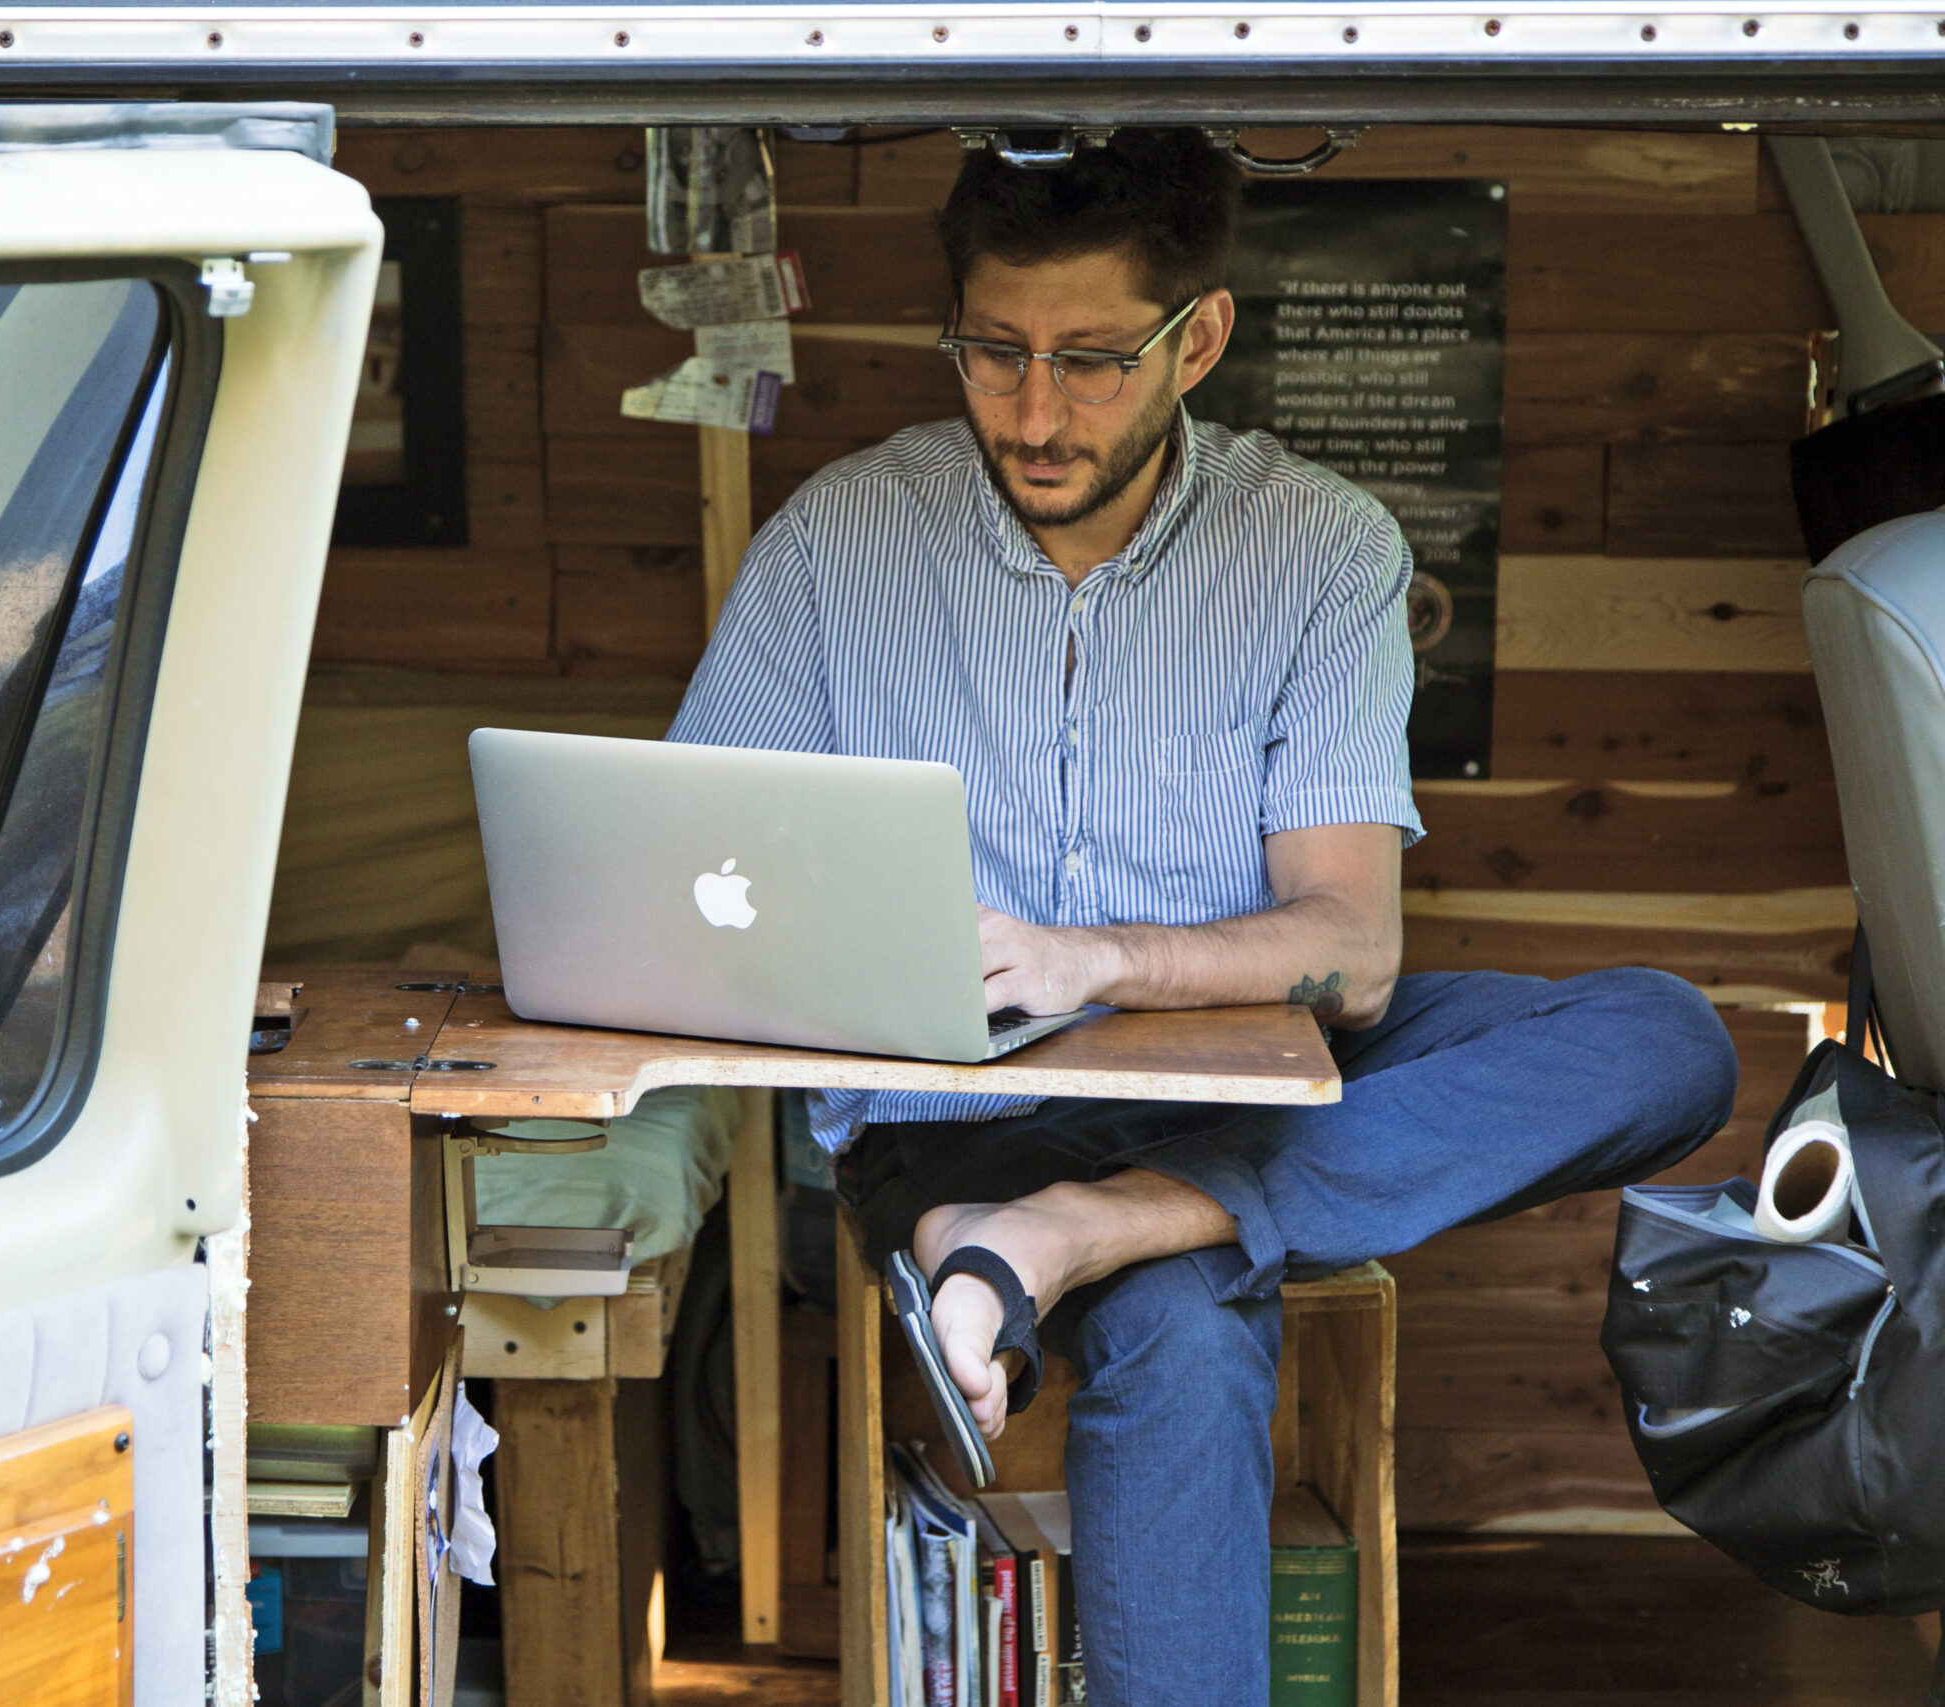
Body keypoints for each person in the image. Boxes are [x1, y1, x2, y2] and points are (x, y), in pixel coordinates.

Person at [665, 129, 1740, 1705]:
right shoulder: (836, 541)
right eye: (996, 354)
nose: (1036, 414)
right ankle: (1096, 1226)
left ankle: (1084, 1233)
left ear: (1201, 339)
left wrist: (1095, 958)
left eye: (1095, 361)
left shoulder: (1319, 547)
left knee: (1672, 1041)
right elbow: (694, 873)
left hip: (1258, 1070)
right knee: (1184, 1328)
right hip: (965, 1115)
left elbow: (1353, 955)